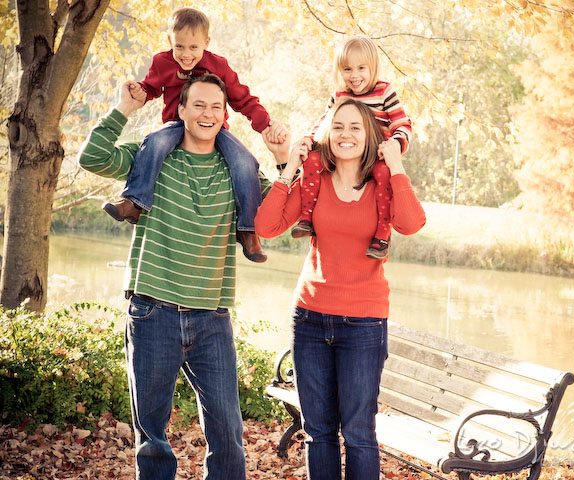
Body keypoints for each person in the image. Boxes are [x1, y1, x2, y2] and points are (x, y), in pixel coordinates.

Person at [78, 74, 280, 480]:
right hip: (153, 311)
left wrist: (282, 158)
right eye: (199, 105)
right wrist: (125, 109)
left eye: (216, 107)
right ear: (181, 110)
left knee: (228, 430)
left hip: (212, 317)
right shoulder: (151, 160)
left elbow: (279, 216)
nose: (208, 114)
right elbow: (93, 158)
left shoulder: (240, 174)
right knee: (152, 436)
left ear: (225, 115)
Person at [255, 97, 426, 479]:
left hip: (363, 325)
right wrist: (290, 168)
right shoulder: (313, 183)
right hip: (310, 319)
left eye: (355, 128)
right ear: (326, 135)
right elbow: (266, 227)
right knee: (318, 433)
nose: (345, 135)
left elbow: (412, 223)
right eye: (337, 127)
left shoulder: (382, 186)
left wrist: (395, 163)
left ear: (370, 137)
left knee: (359, 433)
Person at [102, 7, 287, 263]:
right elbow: (151, 87)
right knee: (152, 144)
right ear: (170, 42)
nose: (186, 54)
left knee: (245, 162)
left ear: (206, 43)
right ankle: (135, 202)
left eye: (193, 47)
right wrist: (140, 91)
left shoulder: (218, 65)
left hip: (215, 130)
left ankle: (247, 229)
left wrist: (265, 124)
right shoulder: (162, 62)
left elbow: (242, 99)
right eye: (179, 46)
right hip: (175, 125)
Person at [292, 34, 413, 261]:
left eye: (361, 68)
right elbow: (324, 123)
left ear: (373, 67)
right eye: (347, 69)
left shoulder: (384, 92)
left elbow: (402, 124)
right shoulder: (339, 95)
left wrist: (394, 145)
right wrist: (310, 139)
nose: (354, 76)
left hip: (375, 155)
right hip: (344, 154)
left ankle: (382, 237)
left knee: (384, 174)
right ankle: (307, 217)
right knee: (313, 160)